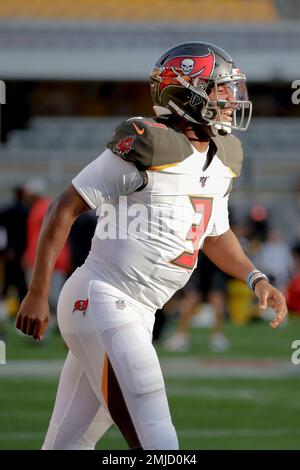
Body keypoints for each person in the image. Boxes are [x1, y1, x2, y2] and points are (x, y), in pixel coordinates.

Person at [15, 42, 287, 450]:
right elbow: (65, 207)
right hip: (102, 296)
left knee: (66, 445)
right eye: (219, 89)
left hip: (139, 310)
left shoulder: (225, 155)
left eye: (231, 89)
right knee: (157, 436)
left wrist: (255, 277)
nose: (232, 99)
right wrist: (37, 293)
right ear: (185, 94)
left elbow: (214, 233)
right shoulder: (150, 143)